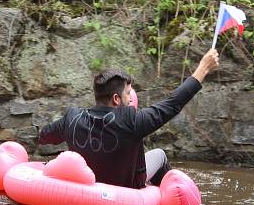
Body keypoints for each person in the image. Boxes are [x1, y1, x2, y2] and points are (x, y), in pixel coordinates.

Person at [38, 49, 220, 189]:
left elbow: (44, 136)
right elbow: (171, 104)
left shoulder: (72, 117)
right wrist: (203, 68)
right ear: (116, 99)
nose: (131, 98)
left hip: (86, 187)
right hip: (126, 190)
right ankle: (165, 198)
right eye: (128, 93)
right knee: (160, 155)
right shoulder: (130, 120)